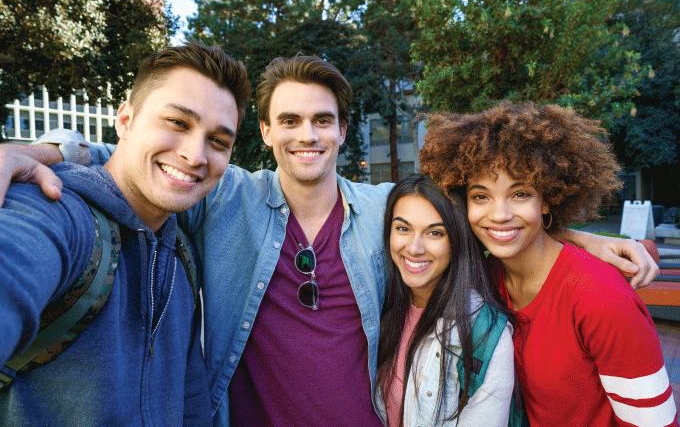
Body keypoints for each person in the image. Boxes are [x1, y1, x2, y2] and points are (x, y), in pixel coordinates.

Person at [0, 57, 660, 426]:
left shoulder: (381, 210)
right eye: (289, 120)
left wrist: (574, 237)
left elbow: (473, 218)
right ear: (264, 129)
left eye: (322, 120)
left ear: (344, 130)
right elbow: (144, 165)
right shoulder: (224, 195)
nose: (306, 135)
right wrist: (31, 149)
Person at [0, 42, 251, 426]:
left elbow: (191, 402)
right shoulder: (58, 213)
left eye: (218, 141)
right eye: (177, 123)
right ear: (125, 121)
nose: (196, 155)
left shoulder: (182, 254)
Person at [419, 102, 678, 427]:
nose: (499, 214)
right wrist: (581, 237)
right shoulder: (486, 274)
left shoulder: (600, 297)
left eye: (520, 194)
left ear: (548, 198)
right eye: (481, 196)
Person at [376, 174, 514, 426]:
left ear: (457, 241)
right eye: (403, 229)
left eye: (435, 233)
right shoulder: (377, 307)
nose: (414, 248)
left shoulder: (484, 334)